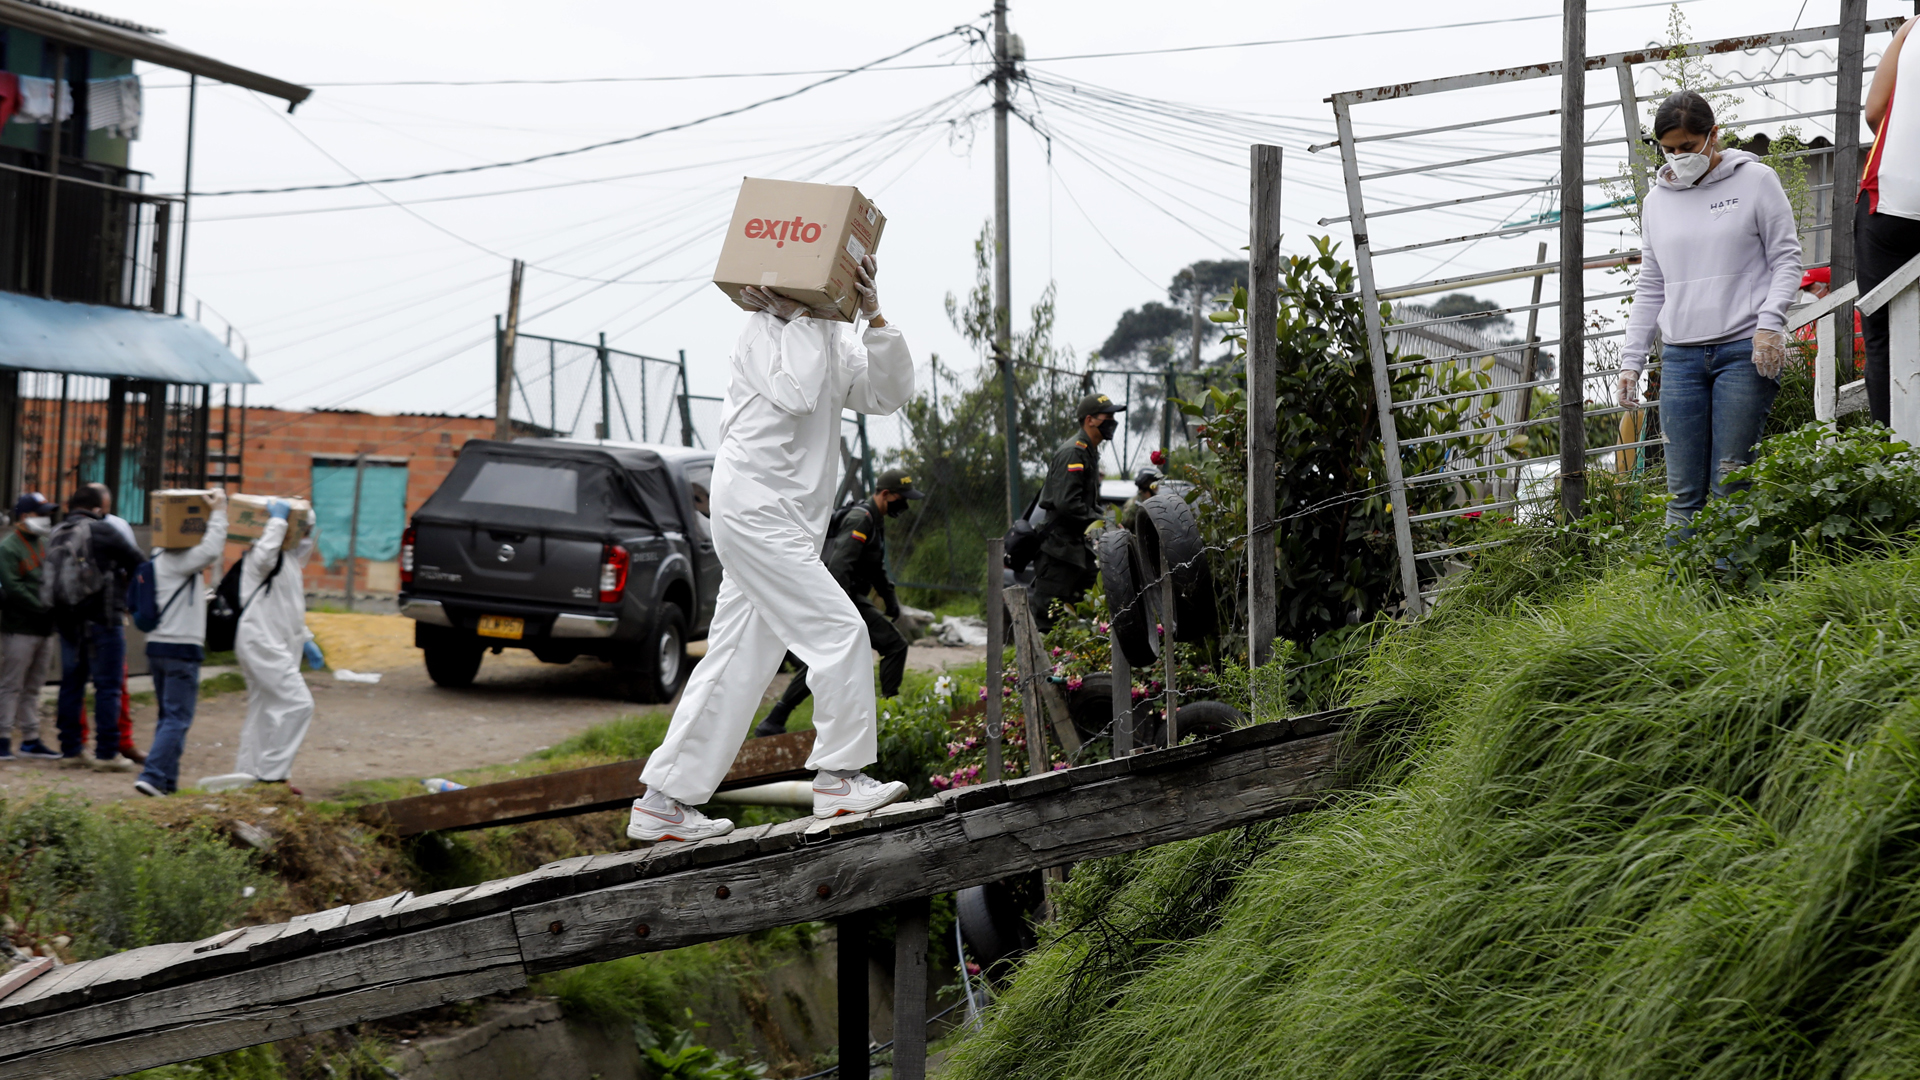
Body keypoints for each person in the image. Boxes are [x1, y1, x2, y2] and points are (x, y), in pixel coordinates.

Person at [630, 255, 914, 843]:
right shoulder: (763, 327)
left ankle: (664, 801)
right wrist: (797, 318)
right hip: (756, 510)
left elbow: (887, 394)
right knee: (840, 633)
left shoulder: (832, 334)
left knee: (738, 660)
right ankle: (839, 778)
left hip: (785, 520)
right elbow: (797, 391)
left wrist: (874, 315)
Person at [1617, 90, 1801, 531]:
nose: (1680, 156)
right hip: (1680, 359)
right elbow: (1651, 284)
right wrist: (1631, 361)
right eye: (1670, 149)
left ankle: (1730, 589)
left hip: (1743, 351)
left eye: (1688, 145)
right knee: (1683, 492)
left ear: (1713, 136)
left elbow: (1787, 259)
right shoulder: (1656, 203)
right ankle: (1684, 594)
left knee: (1731, 483)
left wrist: (1771, 324)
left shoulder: (1756, 181)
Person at [753, 468, 926, 738]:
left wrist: (890, 601)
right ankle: (891, 713)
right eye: (901, 498)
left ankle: (775, 719)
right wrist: (837, 612)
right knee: (891, 646)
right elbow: (839, 567)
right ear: (885, 494)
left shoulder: (874, 520)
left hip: (846, 597)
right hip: (839, 597)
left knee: (828, 657)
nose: (904, 504)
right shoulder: (861, 519)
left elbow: (875, 568)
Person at [202, 498, 315, 792]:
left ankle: (248, 774)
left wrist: (307, 639)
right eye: (304, 529)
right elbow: (266, 552)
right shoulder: (261, 557)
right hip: (260, 644)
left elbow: (288, 608)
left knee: (263, 711)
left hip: (273, 644)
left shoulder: (289, 562)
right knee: (299, 704)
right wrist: (278, 520)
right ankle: (272, 776)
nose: (307, 537)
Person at [134, 490, 229, 797]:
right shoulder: (181, 559)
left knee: (168, 717)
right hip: (180, 650)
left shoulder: (159, 555)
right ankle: (152, 774)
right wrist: (219, 512)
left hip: (157, 648)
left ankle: (167, 784)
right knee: (177, 718)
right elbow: (212, 548)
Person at [49, 485, 145, 768]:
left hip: (67, 621)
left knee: (71, 684)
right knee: (108, 686)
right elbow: (139, 562)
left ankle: (71, 749)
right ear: (98, 507)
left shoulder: (56, 533)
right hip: (103, 619)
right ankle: (106, 753)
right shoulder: (102, 530)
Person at [1858, 15, 1920, 427]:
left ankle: (1895, 462)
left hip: (1893, 200)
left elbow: (1875, 111)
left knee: (1882, 335)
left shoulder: (1913, 30)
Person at [1030, 393, 1123, 629]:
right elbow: (1067, 503)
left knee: (1098, 605)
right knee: (1047, 618)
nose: (1112, 421)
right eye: (1108, 416)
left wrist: (1108, 521)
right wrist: (1103, 522)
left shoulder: (1089, 452)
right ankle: (1040, 665)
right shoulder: (1074, 452)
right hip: (1058, 552)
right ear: (1090, 420)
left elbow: (1088, 504)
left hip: (1076, 550)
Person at [0, 494, 63, 760]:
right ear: (25, 516)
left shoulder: (45, 544)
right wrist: (43, 604)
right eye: (41, 513)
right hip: (20, 627)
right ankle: (3, 738)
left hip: (44, 628)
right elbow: (13, 588)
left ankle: (30, 738)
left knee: (34, 686)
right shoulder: (9, 547)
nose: (46, 519)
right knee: (11, 684)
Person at [1120, 465, 1161, 532]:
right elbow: (1123, 529)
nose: (1157, 487)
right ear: (1146, 484)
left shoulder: (1152, 502)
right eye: (1155, 483)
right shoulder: (1133, 505)